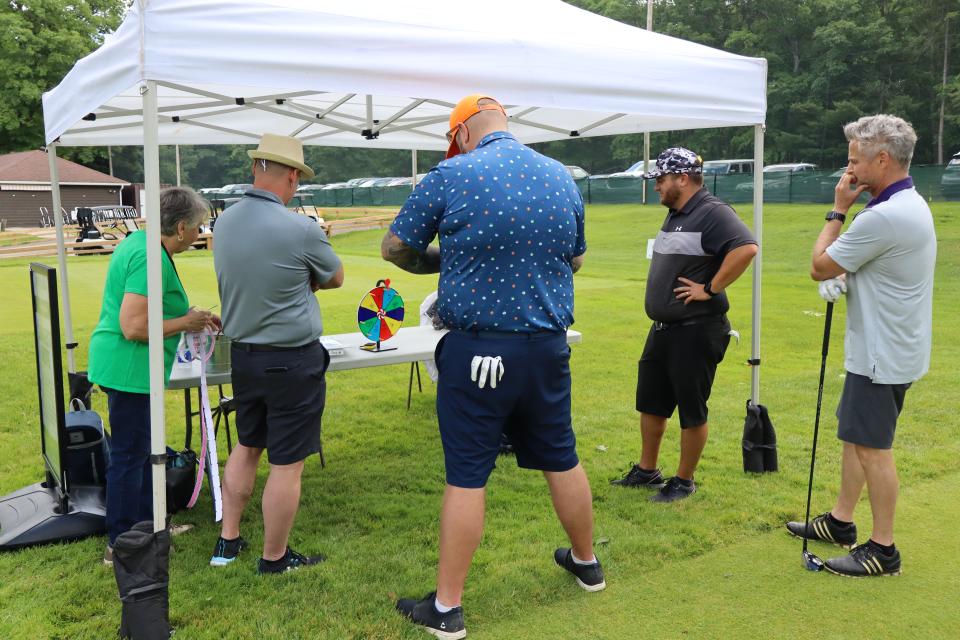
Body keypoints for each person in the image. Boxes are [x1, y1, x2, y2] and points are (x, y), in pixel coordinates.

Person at [381, 94, 602, 639]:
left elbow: (395, 248)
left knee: (468, 473)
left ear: (460, 135)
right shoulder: (559, 175)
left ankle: (447, 607)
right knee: (561, 454)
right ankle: (586, 561)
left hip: (478, 349)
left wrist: (440, 259)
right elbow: (574, 256)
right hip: (547, 346)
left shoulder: (450, 173)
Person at [787, 114, 936, 577]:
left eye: (854, 161)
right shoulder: (908, 204)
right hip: (888, 345)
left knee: (872, 447)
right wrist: (850, 276)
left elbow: (819, 265)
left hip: (881, 353)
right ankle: (841, 521)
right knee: (855, 437)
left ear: (883, 159)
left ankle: (883, 549)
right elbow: (869, 268)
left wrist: (836, 210)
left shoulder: (886, 215)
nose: (848, 172)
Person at [210, 133, 344, 574]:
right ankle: (275, 557)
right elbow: (335, 277)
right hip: (292, 359)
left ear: (254, 169)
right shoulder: (300, 227)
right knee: (287, 463)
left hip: (244, 355)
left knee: (247, 445)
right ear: (290, 177)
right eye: (296, 181)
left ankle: (228, 541)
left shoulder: (224, 222)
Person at [611, 147, 758, 502]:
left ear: (682, 178)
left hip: (696, 329)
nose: (657, 187)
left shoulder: (712, 212)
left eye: (661, 179)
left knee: (691, 409)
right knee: (651, 403)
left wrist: (710, 288)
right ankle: (648, 471)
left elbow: (746, 248)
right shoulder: (676, 213)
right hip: (664, 329)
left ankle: (684, 480)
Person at [88, 186, 219, 563]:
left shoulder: (145, 246)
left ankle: (151, 523)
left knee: (145, 452)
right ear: (180, 227)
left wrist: (195, 319)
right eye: (198, 227)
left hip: (131, 369)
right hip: (130, 370)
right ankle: (124, 541)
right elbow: (132, 325)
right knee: (130, 456)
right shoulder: (151, 258)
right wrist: (184, 321)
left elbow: (155, 309)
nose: (200, 234)